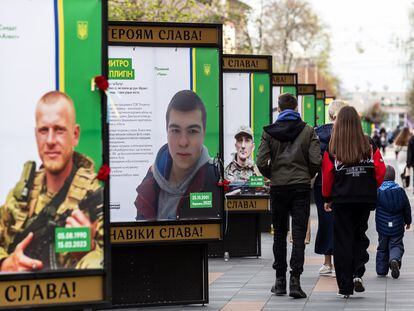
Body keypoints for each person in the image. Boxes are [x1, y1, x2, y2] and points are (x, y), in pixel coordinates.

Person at [0, 91, 103, 272]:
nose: (50, 141)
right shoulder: (22, 194)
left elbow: (116, 268)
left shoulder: (96, 200)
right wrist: (6, 264)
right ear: (36, 135)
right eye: (43, 130)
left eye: (59, 130)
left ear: (75, 135)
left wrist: (90, 251)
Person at [257, 93, 321, 299]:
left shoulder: (269, 132)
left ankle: (279, 281)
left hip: (278, 188)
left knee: (279, 234)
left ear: (278, 108)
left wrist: (273, 175)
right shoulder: (308, 130)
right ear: (296, 108)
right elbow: (316, 161)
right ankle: (295, 281)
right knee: (299, 235)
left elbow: (260, 162)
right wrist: (307, 174)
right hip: (301, 187)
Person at [322, 106, 386, 298]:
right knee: (360, 234)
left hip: (342, 199)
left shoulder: (333, 146)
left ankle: (345, 285)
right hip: (364, 198)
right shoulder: (368, 143)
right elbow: (380, 171)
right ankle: (358, 272)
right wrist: (369, 186)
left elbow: (327, 174)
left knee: (342, 239)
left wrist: (327, 198)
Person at [135, 90, 221, 221]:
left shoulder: (216, 179)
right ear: (167, 131)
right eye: (175, 130)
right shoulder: (151, 178)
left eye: (192, 131)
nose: (183, 142)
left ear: (204, 134)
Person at [314, 99, 347, 275]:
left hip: (322, 183)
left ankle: (327, 263)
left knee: (325, 222)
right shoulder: (347, 134)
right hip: (343, 184)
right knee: (342, 223)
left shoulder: (317, 133)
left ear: (329, 114)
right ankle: (342, 261)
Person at [376, 165, 411, 279]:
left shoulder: (379, 192)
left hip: (382, 226)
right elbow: (407, 207)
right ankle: (394, 259)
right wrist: (408, 221)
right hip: (397, 226)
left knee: (382, 247)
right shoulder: (400, 191)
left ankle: (381, 270)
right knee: (396, 244)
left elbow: (372, 206)